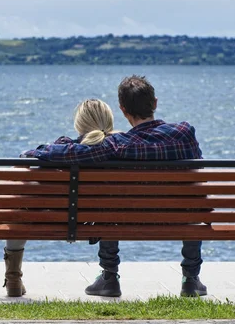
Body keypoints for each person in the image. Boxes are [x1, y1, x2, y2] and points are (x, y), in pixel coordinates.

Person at [21, 75, 207, 298]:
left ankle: (109, 277)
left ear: (123, 110)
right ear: (155, 103)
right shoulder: (185, 133)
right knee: (192, 205)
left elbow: (71, 153)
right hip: (180, 216)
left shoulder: (116, 145)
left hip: (125, 217)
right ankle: (190, 279)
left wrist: (34, 152)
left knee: (109, 202)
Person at [0, 99, 118, 297]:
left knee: (19, 193)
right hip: (88, 221)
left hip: (47, 216)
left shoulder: (64, 149)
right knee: (19, 194)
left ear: (79, 123)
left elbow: (27, 156)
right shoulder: (118, 151)